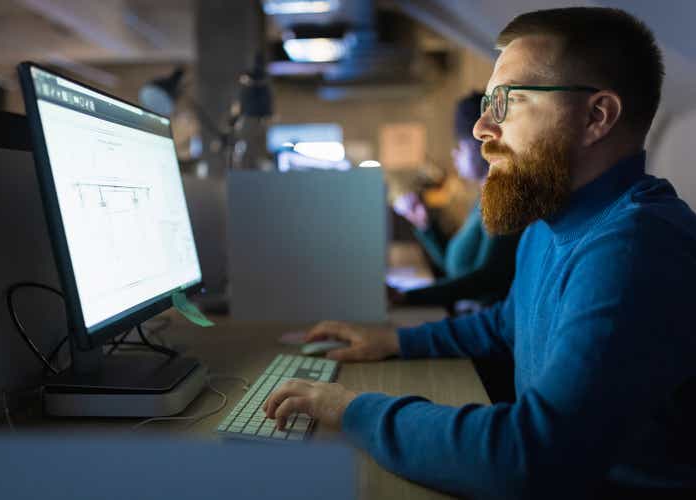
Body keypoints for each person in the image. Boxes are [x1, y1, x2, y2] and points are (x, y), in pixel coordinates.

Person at [263, 7, 696, 499]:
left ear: (597, 116)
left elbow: (530, 455)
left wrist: (352, 409)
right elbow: (505, 323)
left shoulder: (635, 247)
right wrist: (395, 342)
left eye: (507, 101)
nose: (481, 128)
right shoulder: (552, 224)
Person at [391, 93, 521, 310]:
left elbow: (488, 279)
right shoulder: (482, 200)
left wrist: (408, 298)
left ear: (485, 146)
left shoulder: (506, 202)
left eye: (461, 146)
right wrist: (425, 225)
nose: (454, 153)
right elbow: (456, 267)